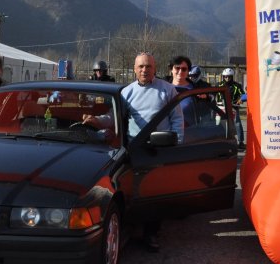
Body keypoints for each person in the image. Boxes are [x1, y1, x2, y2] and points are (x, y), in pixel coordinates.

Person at [84, 52, 183, 252]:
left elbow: (177, 119)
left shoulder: (168, 90)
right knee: (134, 191)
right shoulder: (126, 92)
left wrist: (176, 145)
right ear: (134, 69)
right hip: (133, 149)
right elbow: (112, 117)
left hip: (159, 149)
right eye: (141, 67)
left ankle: (151, 233)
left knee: (154, 194)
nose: (144, 70)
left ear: (155, 68)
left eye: (148, 66)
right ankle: (130, 227)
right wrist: (95, 120)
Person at [218, 67, 245, 148]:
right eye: (225, 77)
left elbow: (243, 95)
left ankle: (240, 142)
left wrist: (241, 99)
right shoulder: (219, 85)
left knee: (237, 124)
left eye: (229, 77)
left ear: (232, 77)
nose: (227, 78)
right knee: (221, 124)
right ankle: (221, 141)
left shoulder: (237, 86)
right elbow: (213, 94)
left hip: (234, 107)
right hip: (222, 107)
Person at [170, 55, 197, 127]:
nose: (180, 71)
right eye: (177, 68)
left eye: (184, 69)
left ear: (188, 71)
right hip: (166, 130)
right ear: (171, 69)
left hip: (190, 130)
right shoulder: (163, 88)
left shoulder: (196, 89)